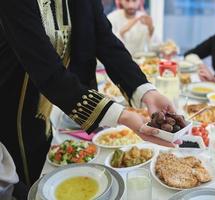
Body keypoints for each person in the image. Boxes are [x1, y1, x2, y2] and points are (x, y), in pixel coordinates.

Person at [0, 0, 175, 186]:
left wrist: (145, 90)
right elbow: (45, 68)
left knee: (42, 164)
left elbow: (105, 40)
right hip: (10, 107)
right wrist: (122, 116)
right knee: (24, 178)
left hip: (49, 104)